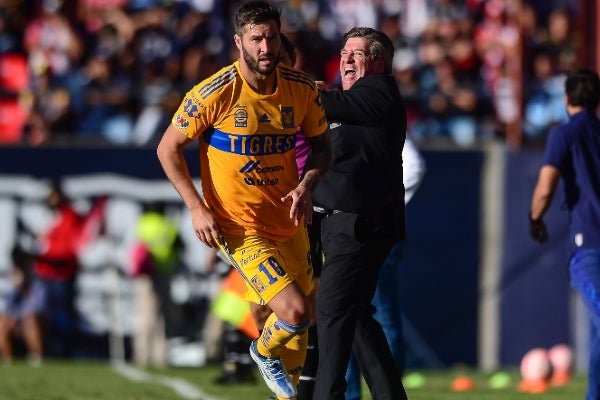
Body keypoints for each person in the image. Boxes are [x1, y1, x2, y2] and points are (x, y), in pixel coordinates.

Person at [156, 2, 332, 399]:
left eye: (271, 37)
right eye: (256, 39)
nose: (265, 46)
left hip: (289, 221)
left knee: (292, 326)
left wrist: (307, 185)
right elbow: (167, 150)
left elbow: (322, 149)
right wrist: (197, 208)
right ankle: (259, 350)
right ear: (239, 42)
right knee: (297, 313)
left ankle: (281, 378)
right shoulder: (213, 93)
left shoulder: (300, 89)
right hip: (239, 226)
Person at [311, 27, 409, 400]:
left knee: (333, 310)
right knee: (354, 317)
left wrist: (305, 92)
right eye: (344, 52)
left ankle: (328, 395)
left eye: (358, 54)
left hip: (359, 221)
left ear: (379, 63)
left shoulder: (379, 92)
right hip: (343, 221)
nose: (347, 59)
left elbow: (328, 105)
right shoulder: (351, 102)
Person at [247, 32, 324, 400]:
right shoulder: (246, 99)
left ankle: (301, 390)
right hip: (257, 220)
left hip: (305, 215)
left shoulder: (305, 94)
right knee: (263, 313)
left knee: (305, 310)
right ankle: (276, 373)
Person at [529, 68, 600, 400]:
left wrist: (535, 218)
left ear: (567, 98)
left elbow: (546, 185)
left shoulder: (564, 134)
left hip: (589, 244)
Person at [345, 135, 426, 399]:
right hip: (352, 231)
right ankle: (356, 393)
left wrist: (382, 206)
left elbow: (414, 166)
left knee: (380, 314)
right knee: (345, 314)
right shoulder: (354, 112)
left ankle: (386, 393)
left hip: (377, 231)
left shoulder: (378, 111)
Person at [0, 245, 45, 366]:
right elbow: (7, 308)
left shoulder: (36, 282)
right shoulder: (9, 282)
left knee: (30, 321)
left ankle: (36, 357)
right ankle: (7, 359)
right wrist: (16, 288)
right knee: (2, 323)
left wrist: (24, 288)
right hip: (15, 320)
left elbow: (38, 307)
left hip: (32, 320)